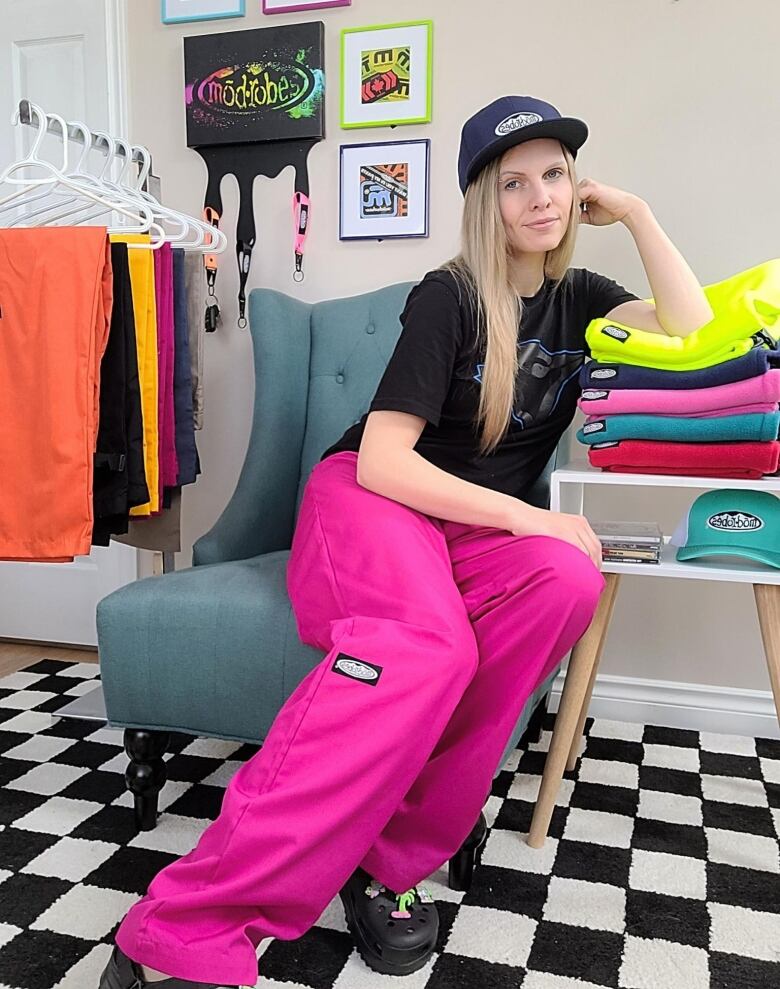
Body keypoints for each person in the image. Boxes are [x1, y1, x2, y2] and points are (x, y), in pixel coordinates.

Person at [99, 95, 714, 989]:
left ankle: (387, 856)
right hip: (369, 503)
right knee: (427, 649)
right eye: (514, 183)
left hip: (464, 535)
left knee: (568, 582)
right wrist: (529, 514)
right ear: (482, 201)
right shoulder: (450, 296)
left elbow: (693, 339)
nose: (540, 197)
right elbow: (385, 458)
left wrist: (640, 216)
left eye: (555, 174)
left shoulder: (583, 300)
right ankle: (191, 919)